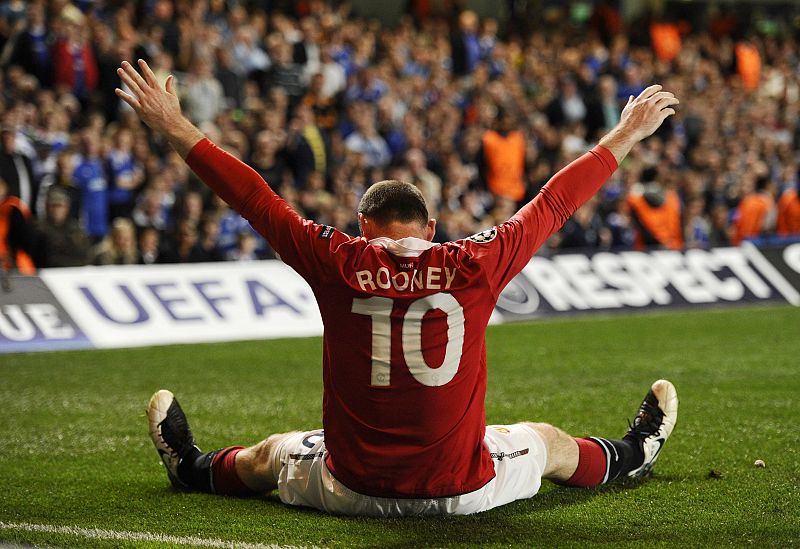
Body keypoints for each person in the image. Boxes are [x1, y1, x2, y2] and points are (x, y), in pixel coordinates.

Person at [118, 60, 679, 517]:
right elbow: (557, 200)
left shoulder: (336, 260)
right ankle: (632, 454)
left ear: (364, 226)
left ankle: (191, 468)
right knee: (546, 441)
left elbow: (255, 199)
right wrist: (628, 131)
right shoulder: (476, 263)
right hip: (461, 491)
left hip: (349, 489)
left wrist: (173, 124)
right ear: (431, 229)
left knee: (271, 454)